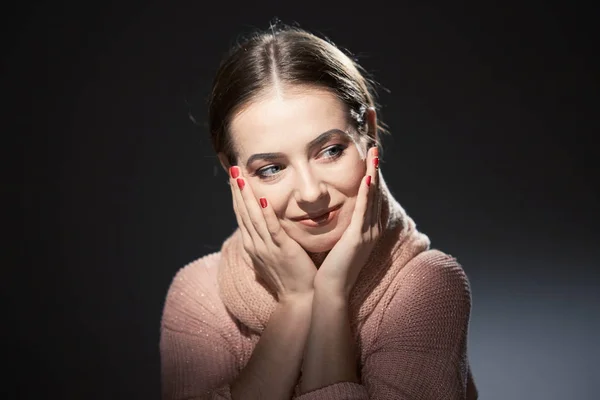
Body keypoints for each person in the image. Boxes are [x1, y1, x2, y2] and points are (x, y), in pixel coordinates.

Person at [160, 22, 478, 400]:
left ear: (369, 133)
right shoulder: (199, 295)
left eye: (330, 150)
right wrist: (296, 302)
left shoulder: (425, 288)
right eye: (272, 169)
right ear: (234, 172)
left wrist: (330, 296)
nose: (311, 194)